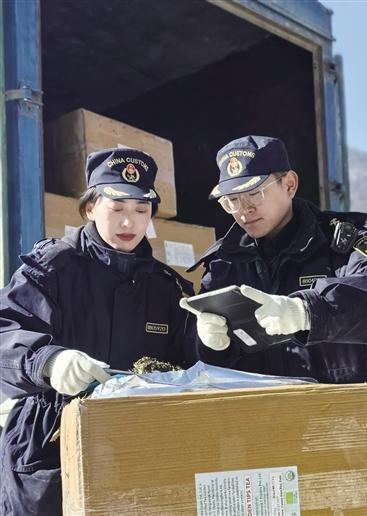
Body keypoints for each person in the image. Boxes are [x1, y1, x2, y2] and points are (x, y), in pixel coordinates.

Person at [0, 148, 196, 515]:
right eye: (117, 208)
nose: (129, 222)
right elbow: (5, 331)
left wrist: (213, 340)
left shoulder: (166, 288)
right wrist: (49, 362)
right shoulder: (52, 269)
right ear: (90, 208)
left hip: (135, 445)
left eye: (141, 210)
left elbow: (191, 370)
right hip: (49, 444)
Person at [182, 135, 367, 385]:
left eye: (254, 193)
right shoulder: (223, 265)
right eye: (232, 200)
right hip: (266, 409)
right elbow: (201, 372)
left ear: (289, 185)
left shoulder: (342, 244)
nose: (244, 209)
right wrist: (208, 347)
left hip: (349, 407)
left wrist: (307, 311)